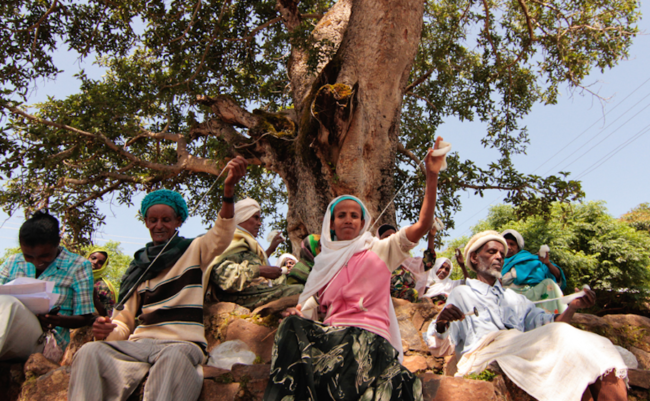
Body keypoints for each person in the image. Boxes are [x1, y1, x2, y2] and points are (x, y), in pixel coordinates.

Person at [264, 137, 447, 401]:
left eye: (354, 215)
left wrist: (431, 175)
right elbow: (307, 310)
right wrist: (296, 312)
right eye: (341, 215)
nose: (348, 219)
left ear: (362, 222)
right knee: (290, 326)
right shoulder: (323, 265)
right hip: (332, 338)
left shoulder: (381, 249)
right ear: (332, 223)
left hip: (371, 340)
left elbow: (422, 224)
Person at [68, 157, 248, 401]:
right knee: (90, 352)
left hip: (182, 344)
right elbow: (123, 323)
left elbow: (222, 233)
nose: (159, 225)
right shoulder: (137, 267)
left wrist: (228, 191)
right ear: (146, 223)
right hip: (139, 345)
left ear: (178, 222)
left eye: (166, 220)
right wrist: (106, 330)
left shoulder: (194, 249)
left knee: (174, 358)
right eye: (153, 220)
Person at [424, 230, 627, 401]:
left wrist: (572, 307)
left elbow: (549, 325)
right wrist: (442, 322)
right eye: (492, 252)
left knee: (598, 347)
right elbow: (439, 347)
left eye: (502, 254)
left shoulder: (514, 298)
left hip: (521, 345)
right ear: (475, 258)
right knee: (567, 339)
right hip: (485, 353)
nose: (499, 257)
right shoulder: (462, 293)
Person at [0, 210, 94, 361]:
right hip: (10, 333)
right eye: (29, 256)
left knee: (7, 303)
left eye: (44, 256)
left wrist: (57, 320)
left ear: (57, 242)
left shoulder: (78, 266)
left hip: (47, 341)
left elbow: (85, 317)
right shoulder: (13, 262)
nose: (37, 262)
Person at [205, 198, 304, 309]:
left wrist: (271, 250)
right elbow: (224, 277)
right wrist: (260, 271)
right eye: (255, 217)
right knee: (301, 291)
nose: (259, 223)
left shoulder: (247, 243)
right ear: (242, 217)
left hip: (260, 292)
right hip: (235, 297)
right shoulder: (228, 241)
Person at [501, 229, 567, 313]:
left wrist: (547, 263)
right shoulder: (498, 261)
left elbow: (557, 276)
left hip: (536, 296)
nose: (509, 247)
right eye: (506, 244)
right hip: (511, 300)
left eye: (512, 244)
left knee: (549, 283)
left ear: (518, 247)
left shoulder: (531, 258)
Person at [377, 223, 437, 302]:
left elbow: (428, 263)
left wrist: (431, 236)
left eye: (393, 236)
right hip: (384, 298)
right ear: (379, 239)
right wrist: (382, 287)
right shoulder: (374, 258)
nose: (391, 239)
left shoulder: (405, 260)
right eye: (386, 236)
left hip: (408, 300)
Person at [87, 248, 117, 317]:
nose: (95, 262)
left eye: (100, 262)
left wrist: (95, 299)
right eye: (93, 258)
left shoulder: (103, 286)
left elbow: (109, 315)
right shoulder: (74, 278)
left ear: (104, 266)